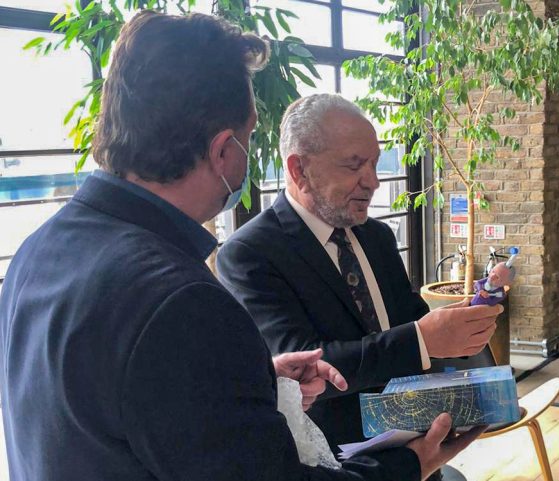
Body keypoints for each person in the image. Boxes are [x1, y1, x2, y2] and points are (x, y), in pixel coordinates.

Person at [0, 11, 484, 481]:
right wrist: (410, 465)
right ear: (222, 151)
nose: (372, 181)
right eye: (250, 137)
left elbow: (135, 411)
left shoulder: (37, 251)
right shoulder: (180, 299)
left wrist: (261, 382)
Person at [217, 94, 503, 451]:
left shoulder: (377, 237)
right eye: (354, 166)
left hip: (417, 447)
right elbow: (307, 366)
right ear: (298, 170)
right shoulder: (248, 254)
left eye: (375, 164)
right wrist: (423, 339)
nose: (373, 182)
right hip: (337, 461)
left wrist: (461, 325)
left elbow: (410, 322)